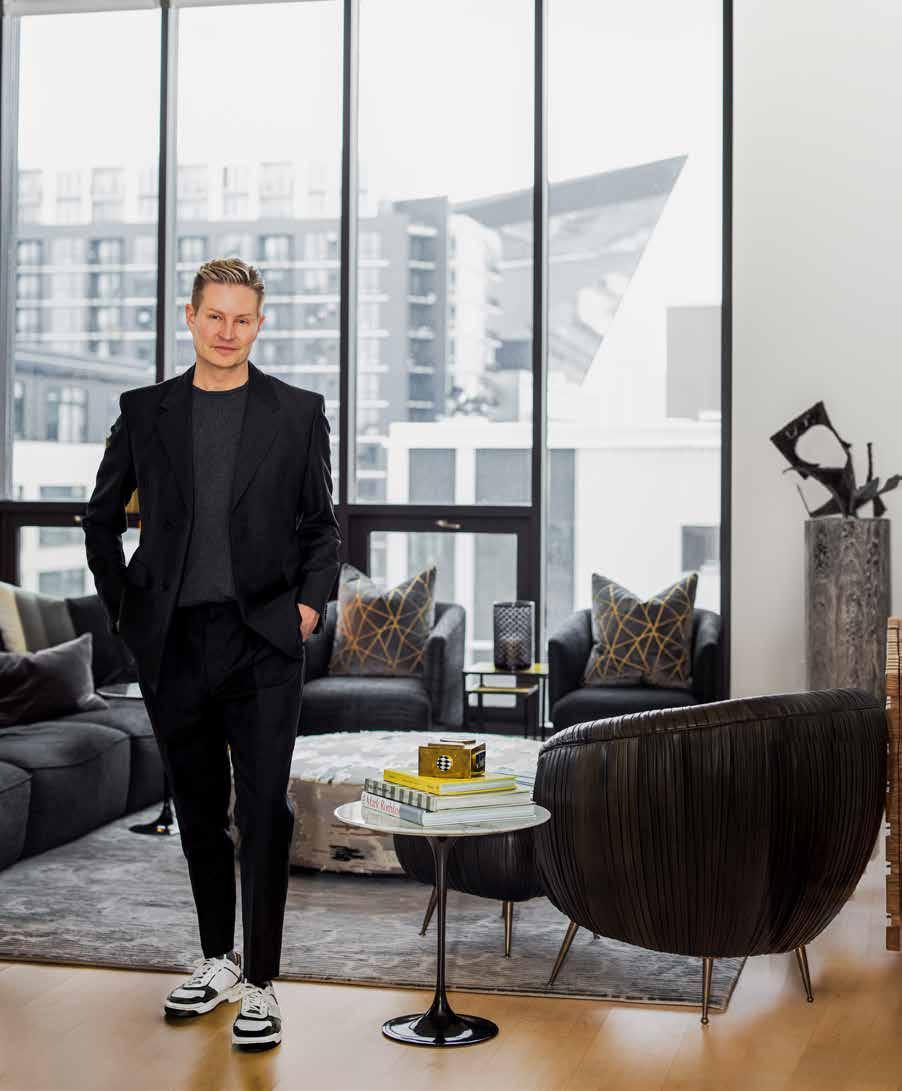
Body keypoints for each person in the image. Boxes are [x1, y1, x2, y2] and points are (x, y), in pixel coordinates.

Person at [82, 256, 341, 1052]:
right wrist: (127, 610)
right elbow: (99, 519)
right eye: (214, 316)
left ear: (260, 324)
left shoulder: (297, 412)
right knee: (197, 809)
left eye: (242, 318)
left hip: (264, 643)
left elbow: (322, 527)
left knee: (262, 811)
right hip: (174, 643)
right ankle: (217, 959)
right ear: (190, 318)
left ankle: (262, 981)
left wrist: (307, 607)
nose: (227, 332)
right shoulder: (145, 411)